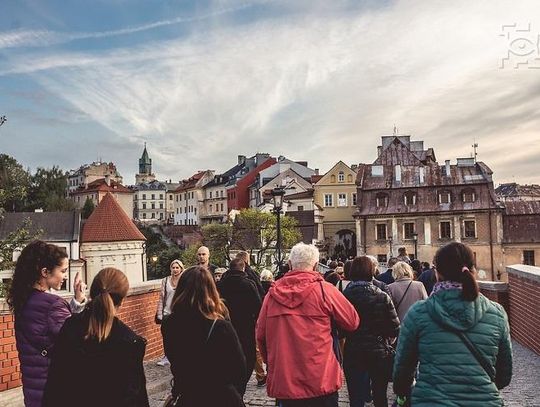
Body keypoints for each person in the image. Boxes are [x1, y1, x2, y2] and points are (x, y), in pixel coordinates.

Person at [393, 242, 513, 406]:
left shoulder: (419, 313)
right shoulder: (496, 313)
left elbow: (402, 370)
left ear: (437, 273)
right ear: (473, 270)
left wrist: (404, 393)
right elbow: (504, 374)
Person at [256, 242, 360, 406]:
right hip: (321, 377)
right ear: (317, 265)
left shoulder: (272, 296)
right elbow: (352, 321)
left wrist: (274, 363)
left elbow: (260, 336)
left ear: (290, 265)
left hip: (286, 380)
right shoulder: (325, 291)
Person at [43, 268, 149, 407]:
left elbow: (55, 385)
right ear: (122, 300)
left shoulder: (71, 327)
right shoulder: (129, 342)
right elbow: (135, 398)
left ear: (92, 293)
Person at [7, 240, 86, 407]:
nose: (65, 276)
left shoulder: (24, 300)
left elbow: (56, 329)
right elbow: (76, 338)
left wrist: (77, 301)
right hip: (57, 391)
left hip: (34, 392)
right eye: (63, 271)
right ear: (45, 271)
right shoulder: (52, 304)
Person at [162, 266, 246, 406]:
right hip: (220, 396)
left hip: (188, 396)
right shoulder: (221, 327)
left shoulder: (169, 324)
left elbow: (174, 358)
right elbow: (239, 368)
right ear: (211, 289)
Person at [342, 256, 400, 407]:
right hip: (378, 351)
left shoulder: (344, 296)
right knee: (380, 395)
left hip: (353, 349)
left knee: (355, 397)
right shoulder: (382, 296)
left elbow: (339, 328)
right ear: (372, 271)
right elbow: (394, 327)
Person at [217, 258, 262, 394]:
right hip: (246, 327)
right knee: (248, 358)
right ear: (243, 269)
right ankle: (239, 387)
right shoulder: (248, 285)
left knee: (228, 358)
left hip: (225, 327)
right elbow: (258, 306)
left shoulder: (220, 285)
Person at [156, 259, 184, 366]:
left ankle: (177, 355)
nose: (175, 270)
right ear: (170, 269)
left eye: (177, 267)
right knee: (166, 335)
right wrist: (160, 313)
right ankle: (166, 356)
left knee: (178, 335)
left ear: (181, 269)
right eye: (173, 267)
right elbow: (162, 297)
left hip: (179, 312)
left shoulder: (183, 280)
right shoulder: (165, 280)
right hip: (167, 312)